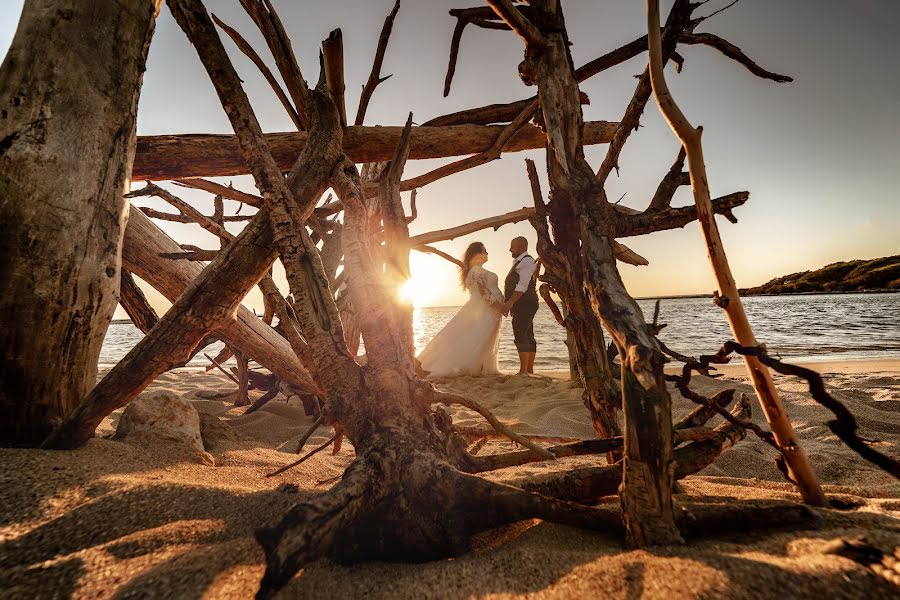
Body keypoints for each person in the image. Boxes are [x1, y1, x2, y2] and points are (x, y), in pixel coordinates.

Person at [416, 242, 505, 377]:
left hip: (486, 309)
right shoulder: (476, 270)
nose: (487, 253)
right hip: (484, 309)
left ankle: (480, 367)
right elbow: (484, 292)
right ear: (476, 254)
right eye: (484, 251)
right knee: (475, 337)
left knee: (480, 337)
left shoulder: (473, 269)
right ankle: (470, 367)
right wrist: (500, 307)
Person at [502, 236, 539, 375]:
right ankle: (529, 370)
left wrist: (509, 303)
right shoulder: (521, 262)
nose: (510, 249)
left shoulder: (526, 261)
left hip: (525, 303)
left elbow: (522, 286)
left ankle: (524, 371)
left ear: (521, 246)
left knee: (520, 333)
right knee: (528, 333)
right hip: (524, 303)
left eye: (512, 246)